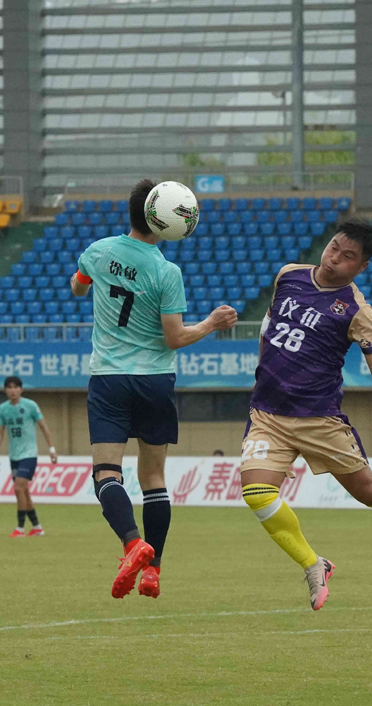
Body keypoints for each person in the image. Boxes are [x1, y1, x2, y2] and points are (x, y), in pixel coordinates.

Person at [238, 218, 372, 611]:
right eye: (334, 247)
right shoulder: (288, 275)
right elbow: (268, 328)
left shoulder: (356, 310)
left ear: (362, 266)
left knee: (369, 492)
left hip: (319, 418)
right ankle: (313, 563)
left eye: (347, 256)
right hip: (268, 414)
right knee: (256, 493)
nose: (334, 258)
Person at [69, 177, 238, 599]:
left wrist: (89, 282)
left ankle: (132, 543)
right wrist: (211, 323)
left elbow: (78, 285)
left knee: (106, 473)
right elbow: (175, 338)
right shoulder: (166, 271)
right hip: (155, 380)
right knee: (153, 477)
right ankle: (153, 570)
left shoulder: (98, 251)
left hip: (109, 378)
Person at [0, 376, 58, 538]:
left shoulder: (30, 405)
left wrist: (52, 449)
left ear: (21, 389)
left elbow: (43, 427)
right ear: (5, 390)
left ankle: (20, 528)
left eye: (15, 387)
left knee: (18, 488)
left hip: (29, 454)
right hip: (14, 455)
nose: (12, 390)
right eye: (9, 387)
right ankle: (37, 527)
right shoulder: (3, 409)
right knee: (24, 491)